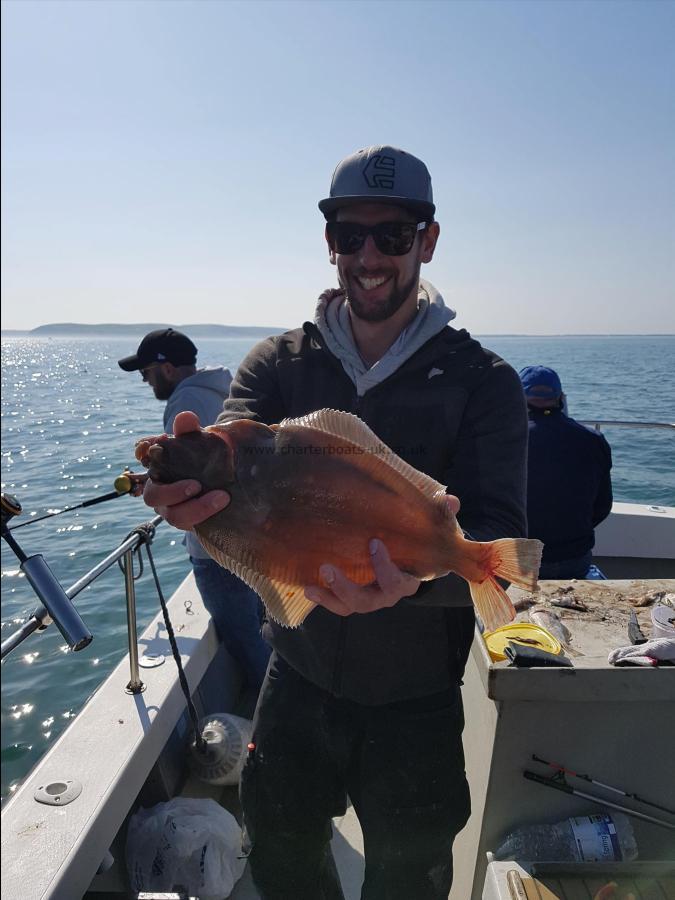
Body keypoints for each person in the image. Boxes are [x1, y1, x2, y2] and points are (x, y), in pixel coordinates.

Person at [142, 146, 529, 899]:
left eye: (394, 235)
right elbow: (234, 461)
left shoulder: (484, 383)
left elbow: (493, 542)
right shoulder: (274, 365)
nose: (369, 255)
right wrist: (187, 495)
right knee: (283, 856)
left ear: (428, 240)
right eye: (349, 234)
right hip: (299, 674)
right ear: (329, 242)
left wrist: (407, 587)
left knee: (408, 876)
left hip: (416, 692)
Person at [118, 327, 271, 693]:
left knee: (244, 639)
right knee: (263, 626)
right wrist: (153, 477)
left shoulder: (183, 405)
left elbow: (205, 480)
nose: (144, 380)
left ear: (167, 368)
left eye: (146, 373)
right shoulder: (226, 390)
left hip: (219, 550)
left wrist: (175, 486)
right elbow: (224, 463)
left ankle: (268, 719)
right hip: (255, 538)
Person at [519, 365, 613, 580]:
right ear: (560, 397)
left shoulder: (507, 441)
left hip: (521, 560)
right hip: (575, 559)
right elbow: (603, 506)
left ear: (518, 396)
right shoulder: (594, 441)